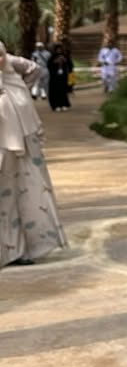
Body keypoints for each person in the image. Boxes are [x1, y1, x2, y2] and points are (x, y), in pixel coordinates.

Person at [0, 40, 66, 267]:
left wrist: (23, 87)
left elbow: (35, 69)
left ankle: (23, 249)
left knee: (27, 194)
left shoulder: (12, 77)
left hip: (23, 151)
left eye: (0, 55)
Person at [47, 42, 72, 111]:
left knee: (63, 91)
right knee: (55, 91)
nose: (59, 51)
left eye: (60, 49)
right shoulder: (52, 57)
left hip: (63, 77)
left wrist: (64, 61)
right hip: (55, 77)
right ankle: (56, 105)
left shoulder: (65, 56)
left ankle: (63, 104)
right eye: (57, 49)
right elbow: (49, 66)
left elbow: (70, 65)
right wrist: (55, 62)